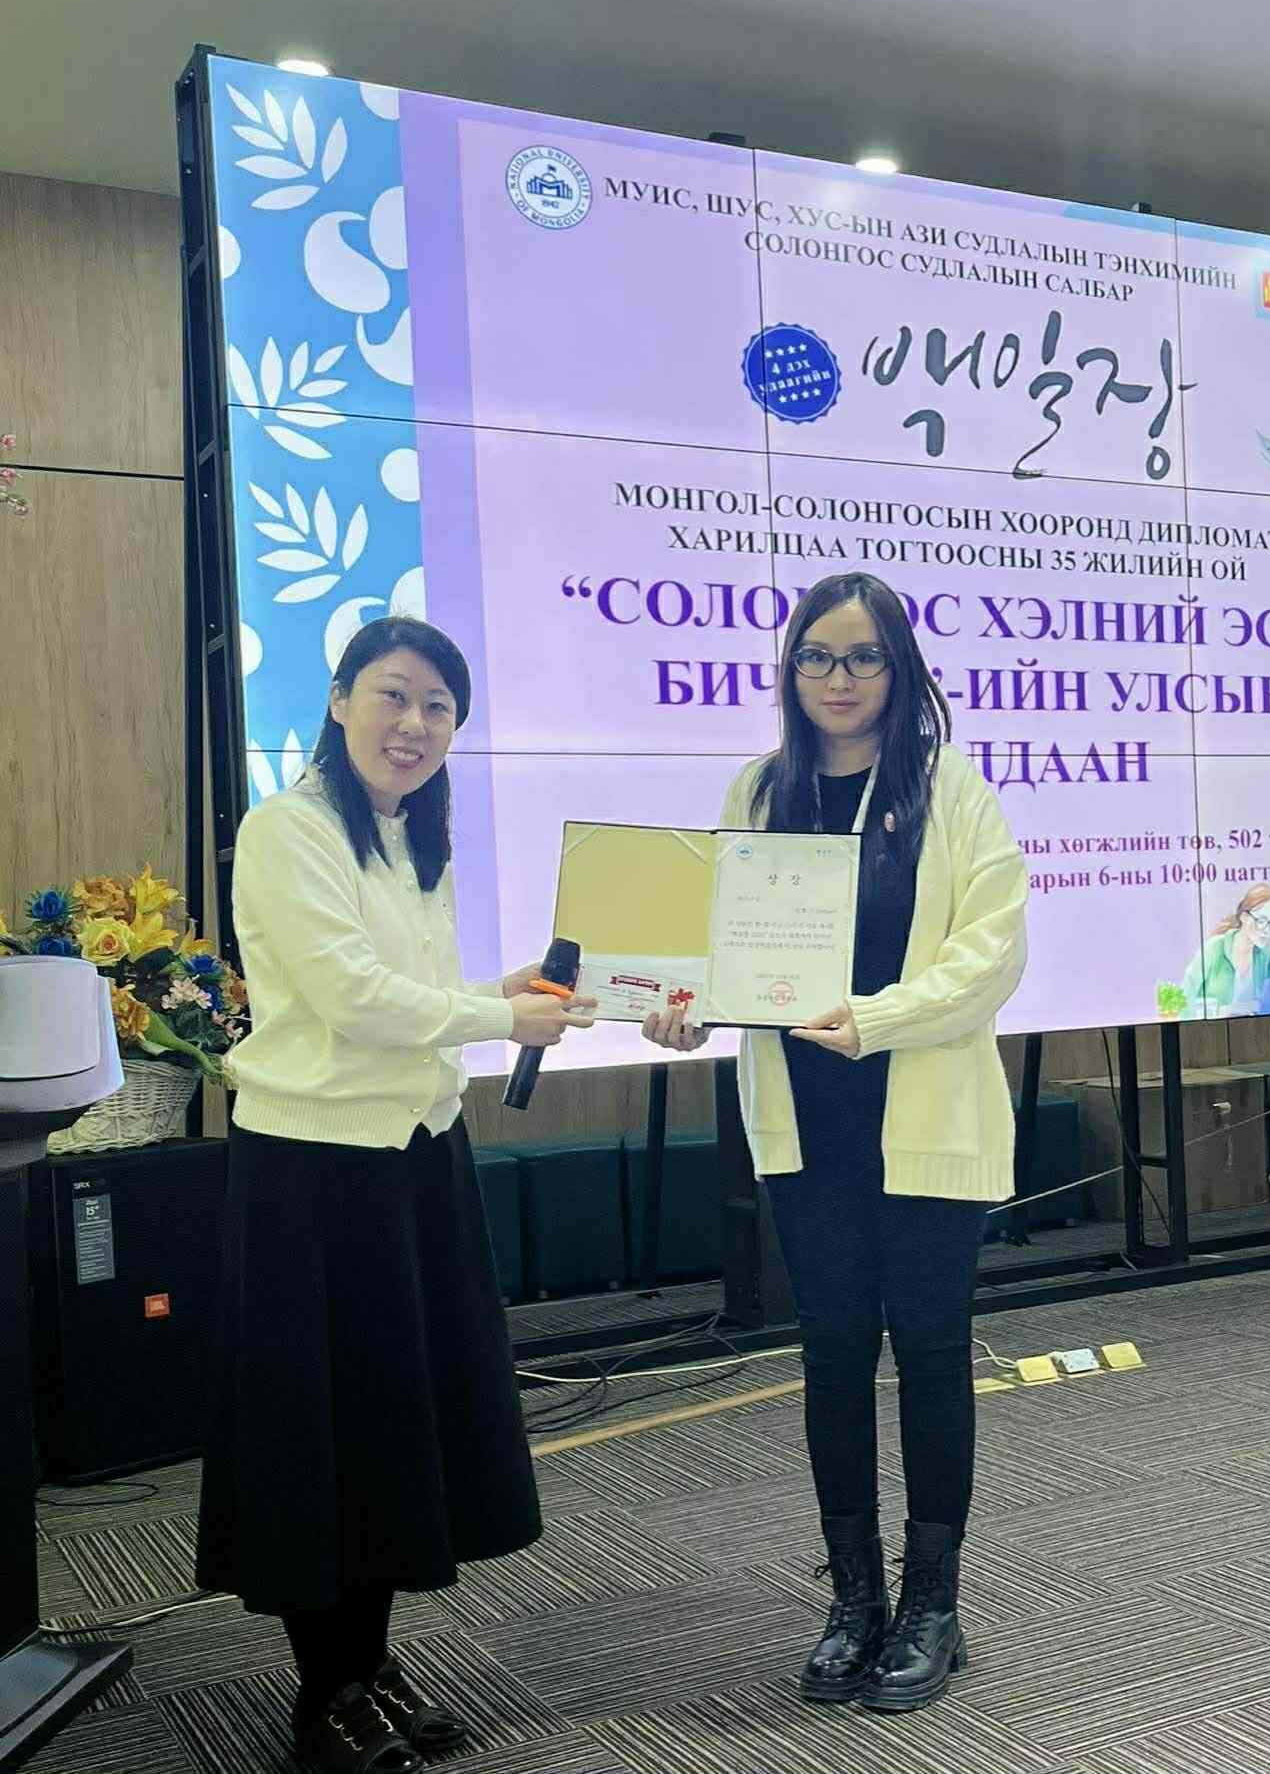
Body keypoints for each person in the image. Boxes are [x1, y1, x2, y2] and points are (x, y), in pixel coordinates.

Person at [196, 617, 594, 1773]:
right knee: (320, 1439)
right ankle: (323, 1694)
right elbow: (351, 998)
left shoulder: (412, 835)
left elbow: (408, 990)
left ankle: (365, 1667)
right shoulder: (287, 830)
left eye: (438, 707)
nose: (414, 724)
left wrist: (501, 989)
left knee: (387, 1429)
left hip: (413, 1159)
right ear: (338, 700)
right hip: (314, 1174)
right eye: (393, 695)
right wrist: (498, 1017)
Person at [644, 571, 1028, 1713]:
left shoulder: (952, 790)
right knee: (832, 1356)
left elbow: (991, 956)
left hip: (925, 1115)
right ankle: (855, 1599)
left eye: (863, 657)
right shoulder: (762, 790)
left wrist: (877, 1019)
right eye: (817, 656)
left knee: (933, 1352)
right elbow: (718, 945)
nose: (839, 679)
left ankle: (934, 1607)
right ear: (791, 668)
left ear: (899, 668)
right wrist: (684, 1004)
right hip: (808, 1125)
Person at [1182, 883, 1270, 1016]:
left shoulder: (1268, 957)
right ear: (1244, 917)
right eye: (1261, 921)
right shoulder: (1213, 949)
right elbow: (1184, 998)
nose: (1267, 929)